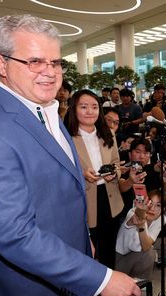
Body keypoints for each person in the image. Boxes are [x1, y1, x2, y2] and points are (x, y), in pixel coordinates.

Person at [0, 15, 140, 296]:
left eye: (56, 62)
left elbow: (63, 191)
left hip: (64, 282)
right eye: (35, 61)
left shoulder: (45, 108)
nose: (50, 73)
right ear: (1, 63)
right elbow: (15, 235)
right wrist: (100, 279)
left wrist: (82, 239)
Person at [66, 89, 125, 270]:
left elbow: (116, 162)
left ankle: (110, 290)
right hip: (84, 199)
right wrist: (82, 174)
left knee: (108, 248)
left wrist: (114, 173)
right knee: (88, 250)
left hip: (109, 197)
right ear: (74, 109)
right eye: (84, 107)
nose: (90, 111)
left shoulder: (108, 133)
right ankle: (92, 292)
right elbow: (62, 171)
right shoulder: (67, 137)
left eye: (94, 107)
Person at [115, 190, 166, 280]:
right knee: (150, 253)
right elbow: (135, 218)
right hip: (119, 258)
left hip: (136, 255)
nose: (152, 208)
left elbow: (146, 245)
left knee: (156, 249)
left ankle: (139, 279)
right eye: (150, 203)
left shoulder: (161, 219)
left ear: (164, 209)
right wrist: (140, 214)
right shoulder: (133, 212)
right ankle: (130, 278)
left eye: (158, 205)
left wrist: (141, 226)